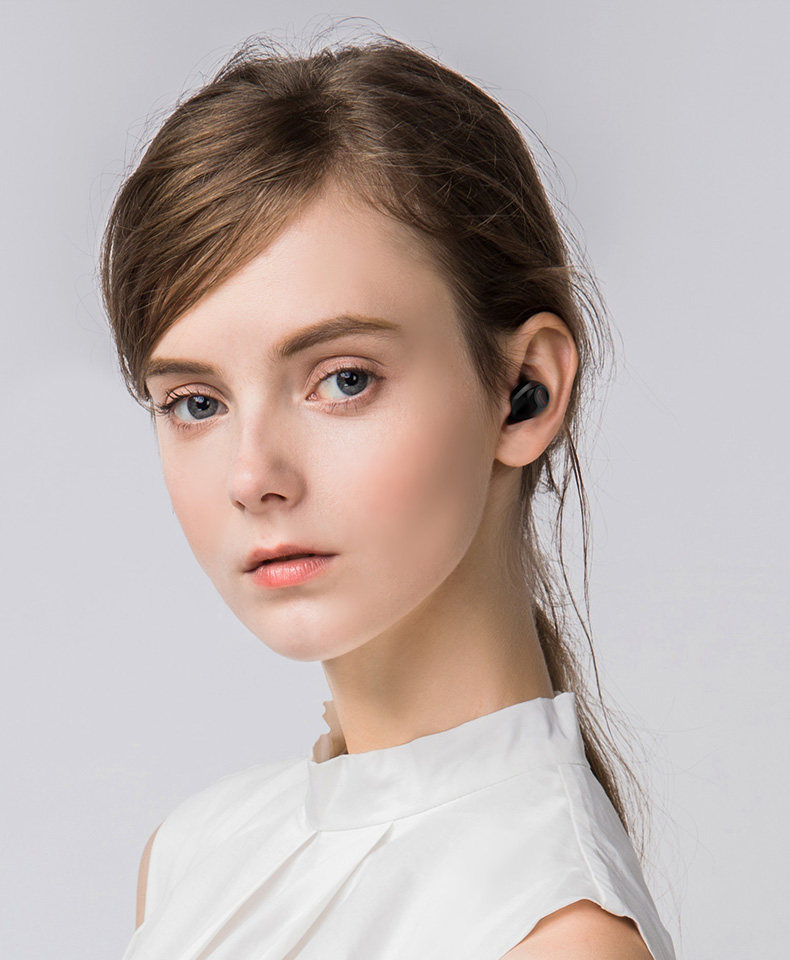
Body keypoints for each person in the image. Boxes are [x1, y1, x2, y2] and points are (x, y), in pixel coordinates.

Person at [102, 32, 676, 960]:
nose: (253, 476)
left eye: (344, 380)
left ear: (525, 390)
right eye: (196, 402)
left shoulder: (556, 934)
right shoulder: (193, 855)